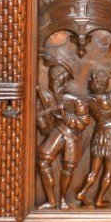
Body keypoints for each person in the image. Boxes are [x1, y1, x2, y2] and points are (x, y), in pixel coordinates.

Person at [36, 60, 90, 209]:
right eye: (52, 76)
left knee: (68, 168)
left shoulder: (75, 101)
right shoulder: (46, 97)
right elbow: (38, 112)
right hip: (56, 132)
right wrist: (43, 124)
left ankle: (63, 199)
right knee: (43, 161)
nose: (55, 80)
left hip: (71, 135)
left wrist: (65, 116)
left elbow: (83, 122)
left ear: (66, 80)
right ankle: (51, 200)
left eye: (59, 76)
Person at [77, 50, 111, 208]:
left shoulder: (89, 100)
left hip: (99, 134)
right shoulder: (109, 99)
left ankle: (83, 192)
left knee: (94, 170)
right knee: (108, 171)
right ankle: (98, 199)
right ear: (104, 84)